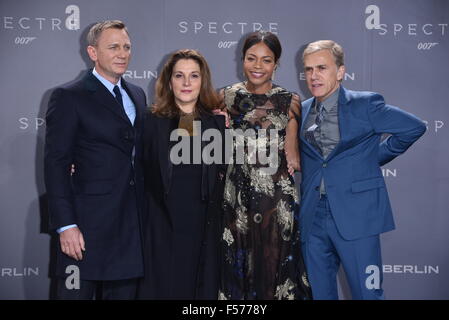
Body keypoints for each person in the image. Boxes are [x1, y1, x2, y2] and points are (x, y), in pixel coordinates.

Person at [298, 40, 426, 300]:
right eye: (309, 69)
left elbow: (414, 127)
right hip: (313, 217)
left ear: (341, 71)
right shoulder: (300, 110)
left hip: (356, 214)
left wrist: (372, 158)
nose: (314, 76)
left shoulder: (365, 105)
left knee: (367, 295)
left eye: (322, 67)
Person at [44, 20, 147, 299]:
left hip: (129, 229)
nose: (122, 53)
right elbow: (56, 166)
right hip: (85, 229)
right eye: (113, 47)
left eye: (126, 47)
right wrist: (66, 225)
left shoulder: (137, 94)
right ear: (92, 52)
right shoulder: (69, 97)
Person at [218, 31, 312, 300]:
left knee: (275, 268)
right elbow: (203, 142)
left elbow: (293, 154)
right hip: (235, 197)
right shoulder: (223, 97)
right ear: (242, 59)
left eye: (266, 60)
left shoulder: (290, 101)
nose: (258, 66)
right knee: (238, 268)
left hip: (276, 199)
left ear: (276, 63)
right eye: (251, 58)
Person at [137, 49, 226, 299]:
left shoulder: (217, 124)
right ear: (169, 81)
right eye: (179, 75)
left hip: (202, 229)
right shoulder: (150, 121)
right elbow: (133, 168)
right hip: (161, 226)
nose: (187, 83)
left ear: (203, 81)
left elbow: (224, 172)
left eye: (194, 76)